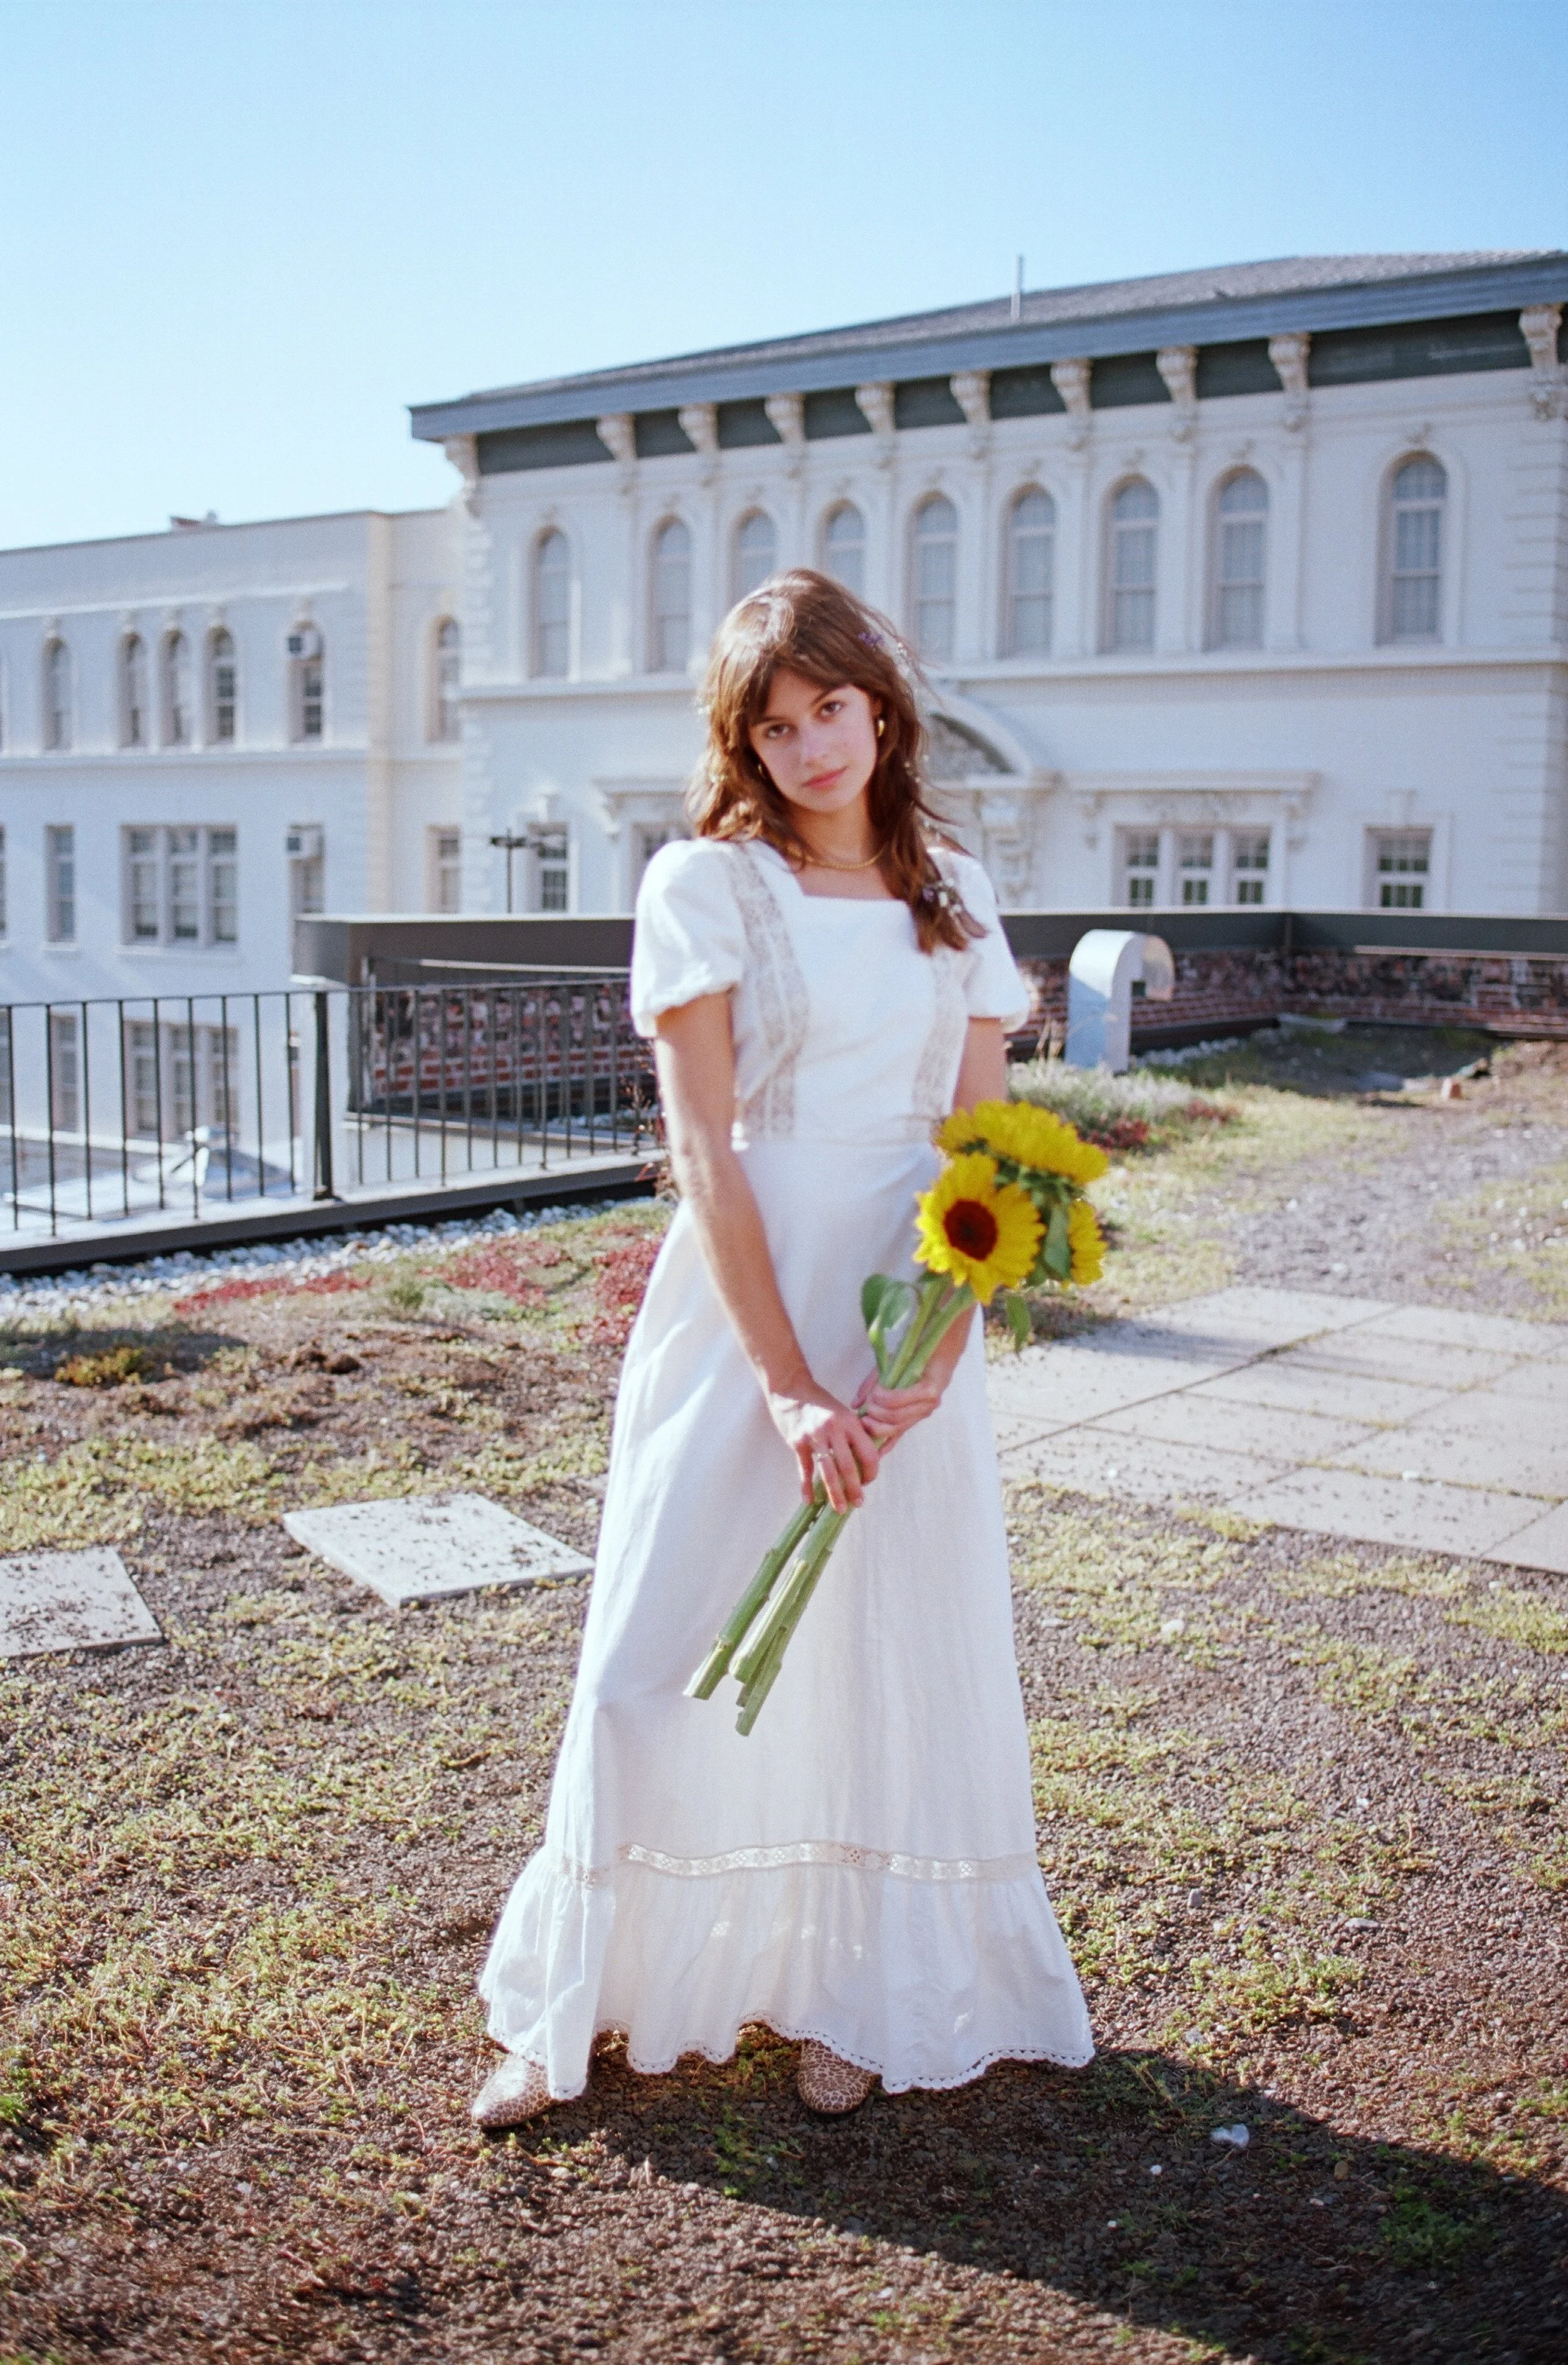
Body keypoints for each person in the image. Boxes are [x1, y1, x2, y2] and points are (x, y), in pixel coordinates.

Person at [472, 569, 1092, 2126]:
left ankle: (859, 1996)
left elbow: (980, 1143)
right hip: (746, 1305)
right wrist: (789, 1382)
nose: (812, 745)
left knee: (881, 1654)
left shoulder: (950, 886)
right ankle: (585, 1996)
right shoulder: (703, 884)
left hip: (907, 1302)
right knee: (646, 1653)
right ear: (741, 743)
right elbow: (705, 1150)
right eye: (776, 724)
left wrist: (933, 1351)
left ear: (880, 708)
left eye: (832, 710)